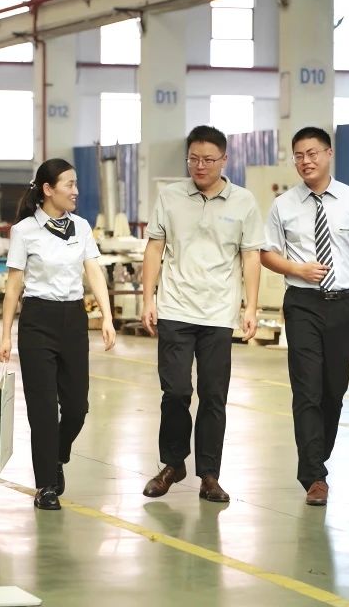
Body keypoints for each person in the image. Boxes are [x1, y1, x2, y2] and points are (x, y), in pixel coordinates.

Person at [260, 126, 349, 507]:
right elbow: (266, 253)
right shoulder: (283, 205)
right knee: (307, 390)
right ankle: (314, 476)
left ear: (328, 153)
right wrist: (296, 269)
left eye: (312, 153)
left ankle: (317, 456)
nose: (306, 161)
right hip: (302, 304)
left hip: (343, 305)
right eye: (299, 155)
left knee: (334, 391)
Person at [140, 125, 264, 503]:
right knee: (176, 391)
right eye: (193, 158)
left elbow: (251, 256)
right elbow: (154, 248)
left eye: (208, 159)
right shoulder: (170, 196)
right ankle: (173, 464)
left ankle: (209, 475)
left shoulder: (244, 201)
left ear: (224, 160)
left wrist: (251, 306)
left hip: (219, 313)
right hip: (175, 308)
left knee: (213, 395)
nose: (200, 166)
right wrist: (148, 299)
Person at [0, 158, 116, 511]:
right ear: (48, 190)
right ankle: (46, 485)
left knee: (78, 407)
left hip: (73, 320)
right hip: (38, 321)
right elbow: (13, 287)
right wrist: (5, 335)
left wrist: (107, 317)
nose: (76, 191)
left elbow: (93, 272)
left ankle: (59, 452)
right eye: (69, 184)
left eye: (76, 184)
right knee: (43, 410)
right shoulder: (24, 231)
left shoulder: (81, 227)